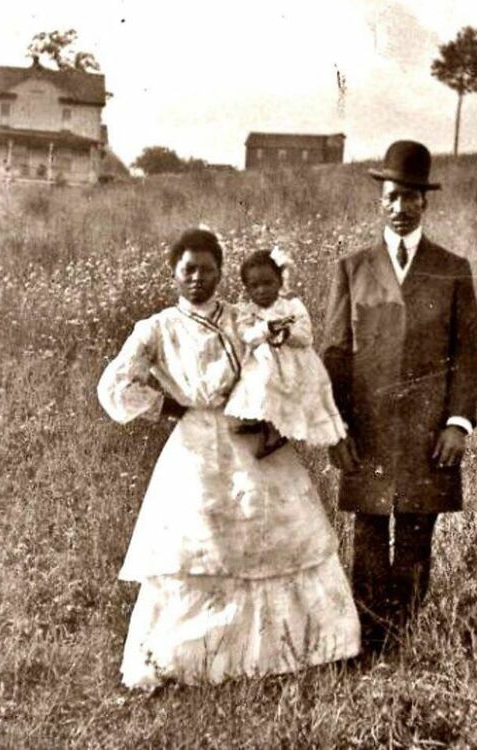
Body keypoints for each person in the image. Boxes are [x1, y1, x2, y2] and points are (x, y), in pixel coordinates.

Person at [97, 228, 359, 688]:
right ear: (174, 273)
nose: (198, 278)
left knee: (275, 535)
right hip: (196, 446)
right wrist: (167, 406)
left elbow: (281, 365)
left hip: (252, 436)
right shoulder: (157, 329)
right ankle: (193, 661)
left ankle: (294, 651)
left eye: (208, 269)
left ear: (221, 272)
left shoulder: (244, 319)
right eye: (188, 270)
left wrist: (275, 415)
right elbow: (114, 386)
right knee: (203, 544)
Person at [322, 141, 477, 652]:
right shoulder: (351, 268)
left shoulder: (452, 269)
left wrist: (458, 423)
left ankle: (403, 640)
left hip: (427, 430)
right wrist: (334, 427)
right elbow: (335, 355)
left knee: (416, 532)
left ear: (424, 202)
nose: (400, 207)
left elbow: (466, 353)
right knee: (367, 535)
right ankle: (366, 638)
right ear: (380, 200)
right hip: (364, 428)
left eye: (410, 197)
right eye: (392, 196)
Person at [225, 248, 347, 458]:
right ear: (247, 289)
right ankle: (258, 423)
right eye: (254, 286)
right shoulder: (248, 311)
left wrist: (286, 333)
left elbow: (306, 336)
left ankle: (275, 433)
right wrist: (265, 329)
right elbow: (247, 337)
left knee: (273, 387)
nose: (261, 290)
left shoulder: (291, 306)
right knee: (256, 384)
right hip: (263, 360)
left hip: (292, 362)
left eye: (268, 283)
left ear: (280, 282)